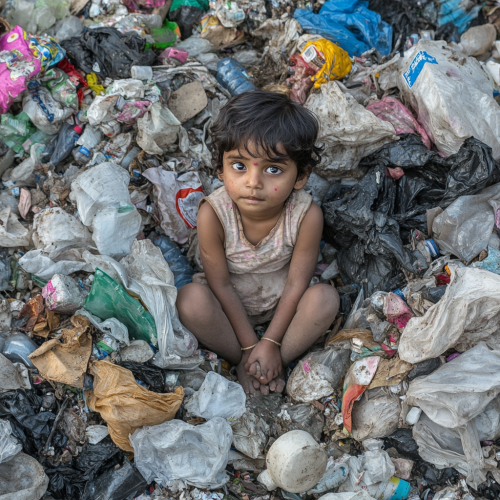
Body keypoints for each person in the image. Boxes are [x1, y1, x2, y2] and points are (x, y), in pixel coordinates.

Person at [176, 90, 339, 395]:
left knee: (325, 300)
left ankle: (277, 360)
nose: (253, 182)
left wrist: (272, 343)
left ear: (300, 177)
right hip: (226, 306)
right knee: (190, 300)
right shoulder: (213, 214)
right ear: (221, 167)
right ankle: (243, 362)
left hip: (283, 304)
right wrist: (250, 346)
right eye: (239, 166)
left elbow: (296, 285)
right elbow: (221, 285)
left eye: (273, 169)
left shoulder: (306, 215)